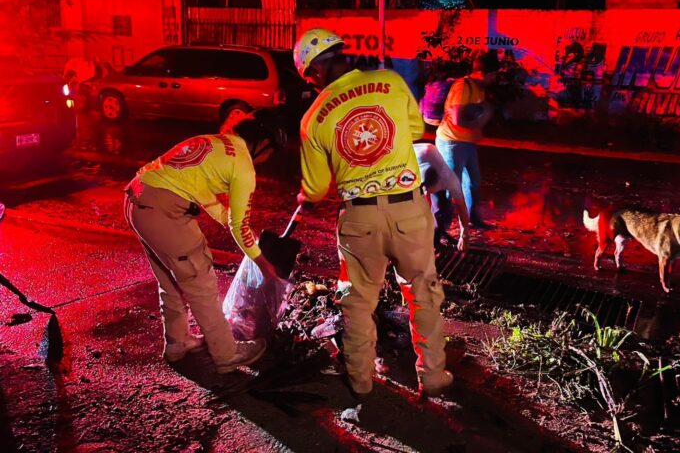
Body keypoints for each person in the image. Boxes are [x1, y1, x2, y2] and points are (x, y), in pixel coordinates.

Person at [293, 28, 453, 398]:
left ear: (314, 72)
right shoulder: (390, 82)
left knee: (357, 302)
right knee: (423, 294)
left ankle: (361, 381)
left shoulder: (313, 118)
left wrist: (306, 194)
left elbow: (316, 189)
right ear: (341, 55)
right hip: (409, 209)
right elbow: (415, 130)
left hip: (359, 219)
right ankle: (431, 375)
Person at [124, 115, 281, 374]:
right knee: (200, 280)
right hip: (164, 211)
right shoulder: (244, 167)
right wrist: (262, 262)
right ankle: (226, 354)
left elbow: (198, 188)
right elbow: (239, 227)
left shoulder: (211, 142)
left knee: (170, 279)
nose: (267, 161)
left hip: (137, 199)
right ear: (263, 144)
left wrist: (227, 219)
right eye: (270, 154)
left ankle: (177, 343)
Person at [435, 50, 498, 229]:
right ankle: (441, 227)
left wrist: (481, 119)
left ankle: (473, 220)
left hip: (466, 142)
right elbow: (458, 119)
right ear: (484, 73)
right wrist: (481, 120)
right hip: (451, 142)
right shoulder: (462, 87)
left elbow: (475, 117)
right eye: (493, 75)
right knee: (451, 186)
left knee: (472, 182)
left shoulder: (480, 89)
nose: (494, 79)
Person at [413, 142, 470, 251]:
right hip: (411, 158)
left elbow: (462, 208)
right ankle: (431, 238)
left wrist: (465, 235)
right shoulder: (411, 174)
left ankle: (437, 235)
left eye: (429, 191)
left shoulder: (451, 180)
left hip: (428, 154)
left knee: (442, 206)